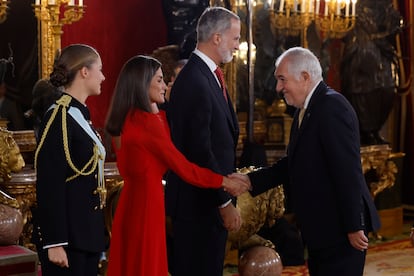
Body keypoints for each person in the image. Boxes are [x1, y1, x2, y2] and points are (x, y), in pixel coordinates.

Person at [230, 47, 381, 276]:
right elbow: (294, 162)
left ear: (305, 77)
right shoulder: (307, 109)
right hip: (321, 228)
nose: (278, 87)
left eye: (282, 79)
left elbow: (347, 171)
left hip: (340, 229)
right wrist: (250, 181)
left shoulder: (331, 107)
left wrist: (354, 225)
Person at [104, 55, 248, 276]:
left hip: (131, 204)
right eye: (160, 80)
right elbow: (185, 168)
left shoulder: (130, 117)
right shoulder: (149, 124)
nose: (166, 85)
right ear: (143, 83)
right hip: (146, 207)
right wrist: (223, 181)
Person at [165, 6, 241, 276]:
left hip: (206, 202)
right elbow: (199, 150)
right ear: (217, 38)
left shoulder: (208, 75)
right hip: (199, 205)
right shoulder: (194, 79)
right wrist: (223, 203)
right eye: (235, 38)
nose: (238, 45)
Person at [33, 44, 107, 276]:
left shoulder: (79, 115)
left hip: (86, 235)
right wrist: (55, 242)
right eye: (100, 69)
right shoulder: (59, 116)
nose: (103, 77)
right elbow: (49, 182)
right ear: (84, 72)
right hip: (69, 240)